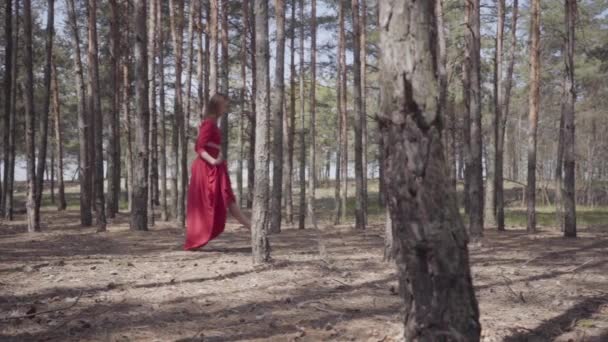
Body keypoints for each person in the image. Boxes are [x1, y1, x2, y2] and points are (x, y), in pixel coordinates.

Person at [184, 93, 251, 250]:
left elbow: (205, 144)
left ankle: (255, 230)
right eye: (225, 105)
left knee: (228, 199)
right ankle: (256, 231)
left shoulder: (212, 123)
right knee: (221, 201)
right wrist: (213, 160)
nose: (227, 107)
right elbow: (199, 147)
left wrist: (217, 149)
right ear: (217, 106)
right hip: (207, 170)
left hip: (214, 168)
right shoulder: (209, 123)